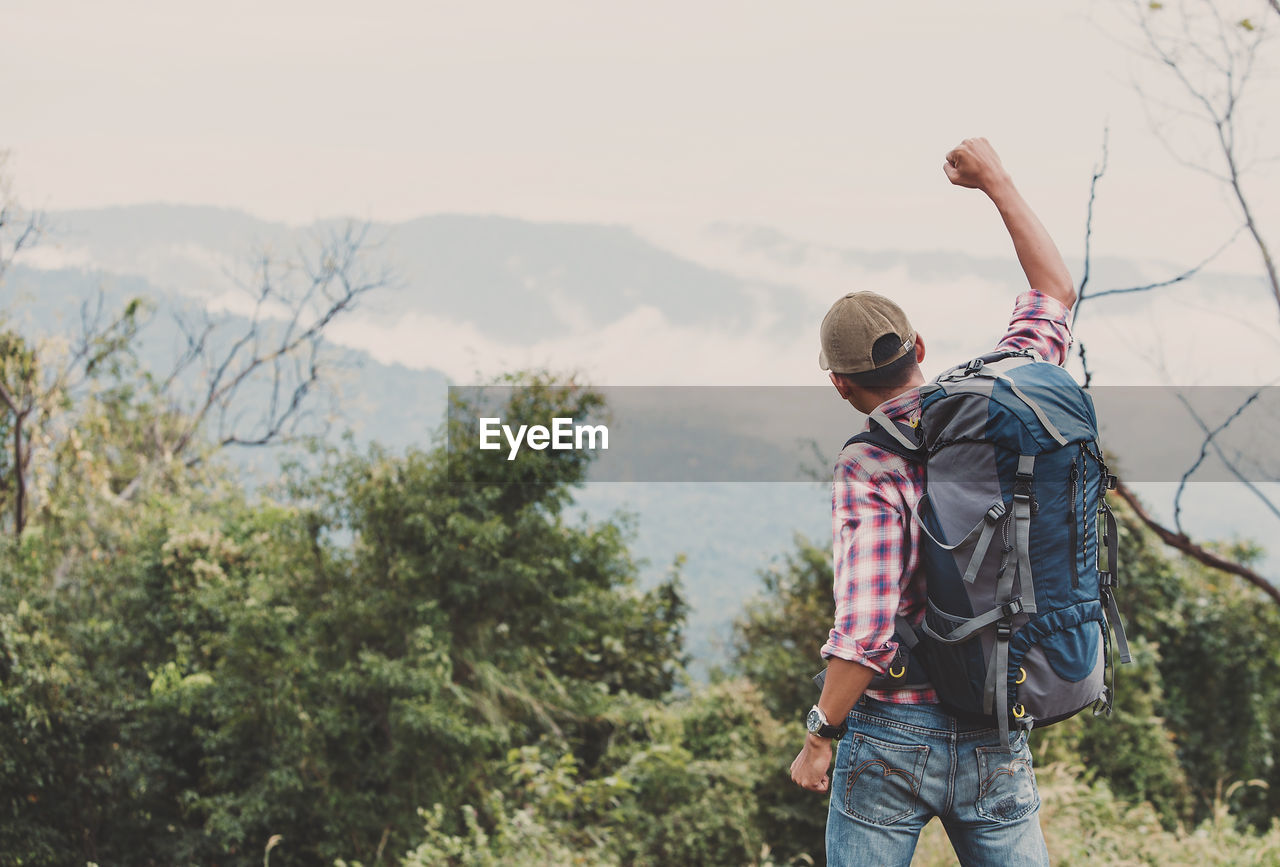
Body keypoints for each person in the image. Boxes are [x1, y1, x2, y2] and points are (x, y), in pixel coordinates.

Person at [789, 137, 1077, 866]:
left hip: (894, 731)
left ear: (841, 386)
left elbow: (865, 628)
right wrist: (995, 179)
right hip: (994, 718)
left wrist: (820, 733)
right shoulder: (999, 404)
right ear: (920, 343)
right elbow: (1054, 292)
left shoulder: (869, 462)